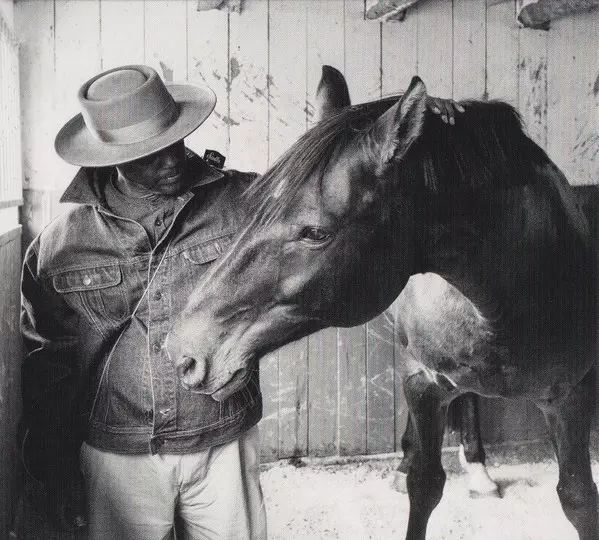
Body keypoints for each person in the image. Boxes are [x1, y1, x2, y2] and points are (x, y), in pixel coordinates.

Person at [20, 64, 463, 539]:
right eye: (149, 154)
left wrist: (417, 123)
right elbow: (50, 364)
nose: (172, 160)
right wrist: (54, 471)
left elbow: (325, 178)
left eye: (176, 140)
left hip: (222, 442)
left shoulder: (245, 199)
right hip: (118, 453)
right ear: (112, 159)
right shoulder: (59, 247)